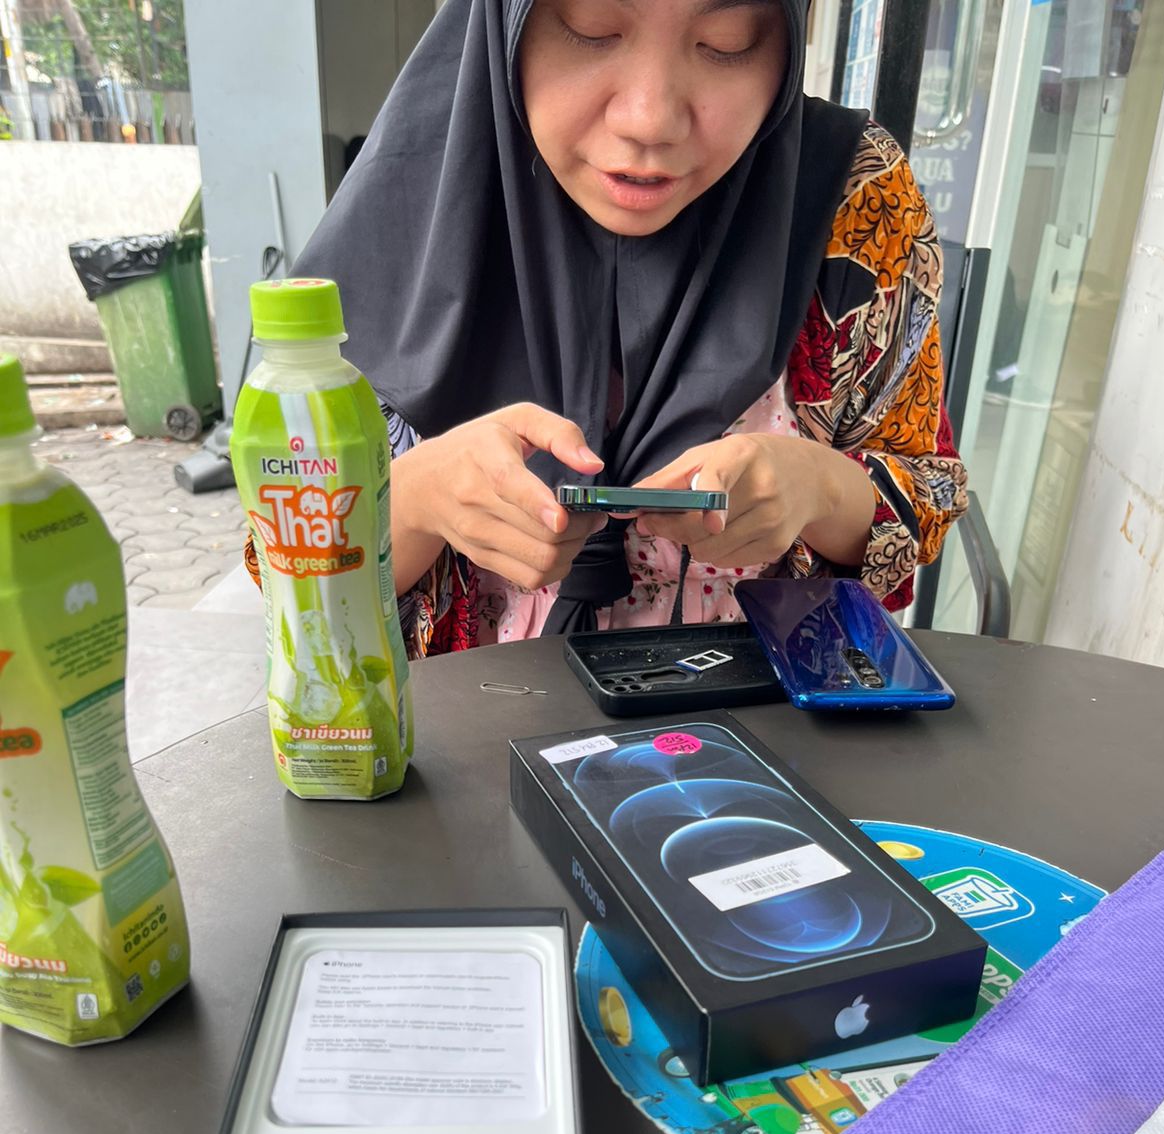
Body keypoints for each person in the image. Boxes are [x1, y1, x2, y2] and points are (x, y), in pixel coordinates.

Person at [246, 0, 966, 656]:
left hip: (754, 731)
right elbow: (291, 573)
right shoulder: (415, 193)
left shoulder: (855, 192)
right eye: (591, 28)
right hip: (464, 735)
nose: (649, 119)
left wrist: (819, 489)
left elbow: (924, 497)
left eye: (727, 41)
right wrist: (416, 500)